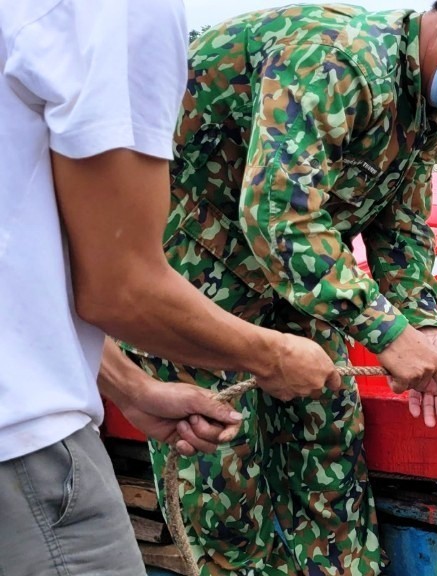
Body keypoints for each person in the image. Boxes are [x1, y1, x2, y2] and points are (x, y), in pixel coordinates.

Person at [129, 0, 437, 573]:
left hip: (295, 279)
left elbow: (401, 223)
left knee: (329, 440)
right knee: (224, 481)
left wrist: (423, 324)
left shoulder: (425, 97)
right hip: (193, 275)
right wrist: (385, 332)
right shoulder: (339, 59)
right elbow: (280, 217)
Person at [0, 1, 345, 574]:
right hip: (23, 451)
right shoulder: (121, 11)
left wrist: (132, 387)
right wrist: (274, 356)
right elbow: (121, 289)